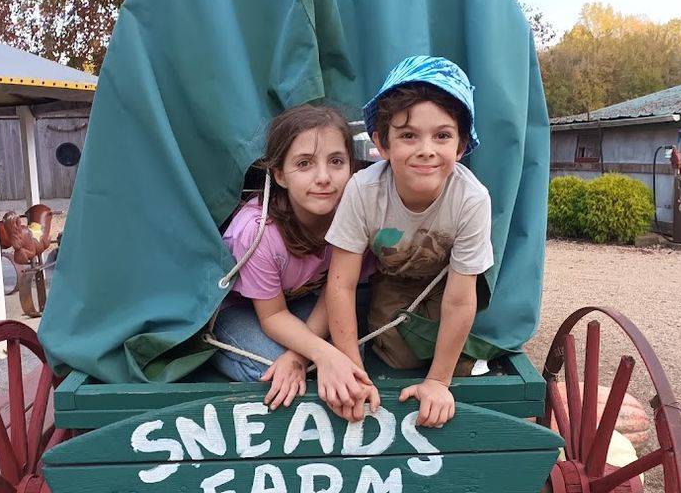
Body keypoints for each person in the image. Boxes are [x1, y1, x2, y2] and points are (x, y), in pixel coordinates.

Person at [325, 56, 494, 428]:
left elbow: (460, 296)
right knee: (397, 355)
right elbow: (340, 284)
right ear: (381, 144)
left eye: (442, 136)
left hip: (445, 281)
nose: (426, 149)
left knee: (456, 346)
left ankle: (457, 361)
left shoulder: (471, 198)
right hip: (394, 278)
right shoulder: (364, 190)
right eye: (408, 135)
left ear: (462, 145)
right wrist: (351, 370)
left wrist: (438, 382)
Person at [211, 103, 375, 413]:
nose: (323, 177)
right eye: (304, 164)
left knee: (349, 354)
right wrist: (322, 355)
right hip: (241, 310)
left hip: (299, 301)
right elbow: (272, 316)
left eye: (336, 161)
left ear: (352, 168)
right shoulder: (257, 231)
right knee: (276, 369)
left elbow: (335, 293)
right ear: (280, 175)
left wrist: (305, 356)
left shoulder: (354, 216)